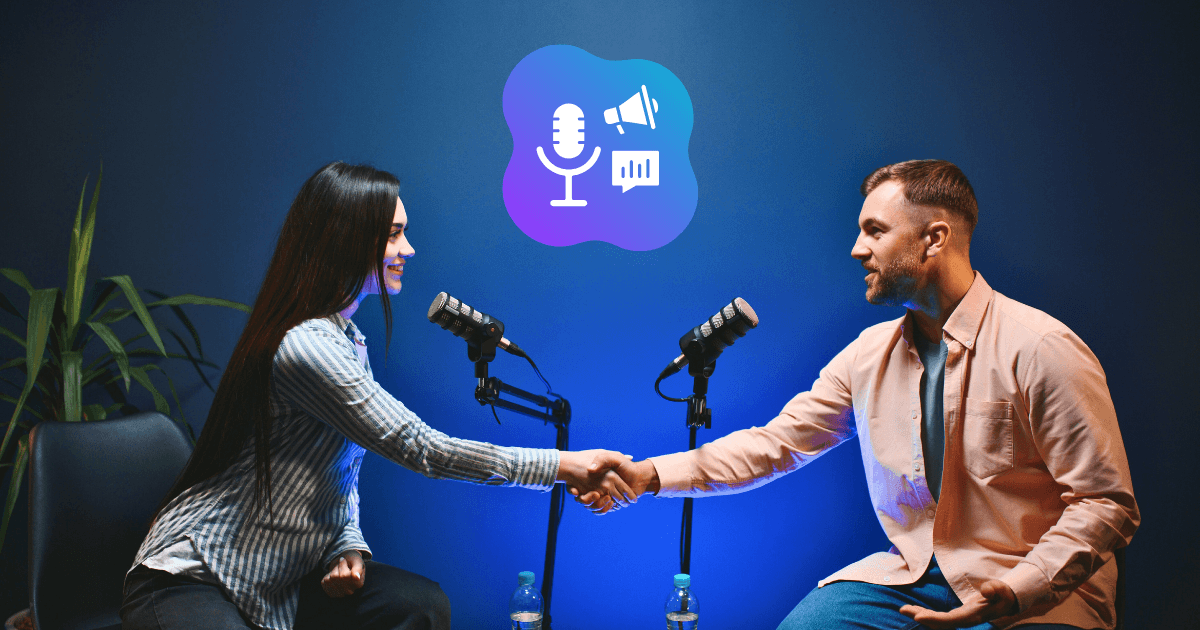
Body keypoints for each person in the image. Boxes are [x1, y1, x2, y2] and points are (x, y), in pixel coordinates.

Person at [581, 160, 1139, 629]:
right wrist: (648, 475)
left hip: (1036, 593)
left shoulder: (1040, 346)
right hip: (917, 578)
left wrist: (1016, 590)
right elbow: (776, 444)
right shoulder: (868, 355)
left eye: (874, 231)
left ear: (934, 239)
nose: (855, 249)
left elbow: (1106, 503)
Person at [121, 162, 633, 630]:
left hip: (276, 582)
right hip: (194, 577)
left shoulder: (348, 341)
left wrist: (347, 543)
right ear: (345, 239)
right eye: (393, 235)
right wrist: (562, 466)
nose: (407, 250)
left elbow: (339, 471)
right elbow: (419, 446)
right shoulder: (307, 348)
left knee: (420, 606)